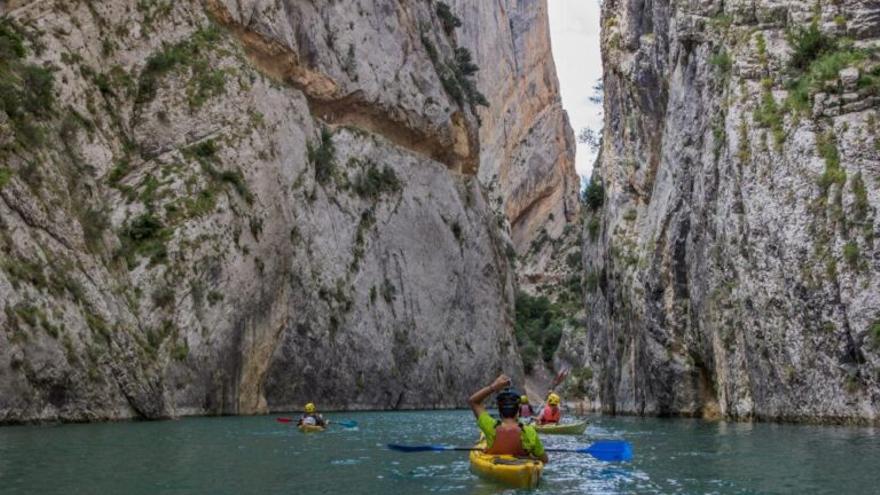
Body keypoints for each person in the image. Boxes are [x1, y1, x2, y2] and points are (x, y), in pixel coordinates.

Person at [468, 374, 548, 463]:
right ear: (518, 410)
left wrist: (493, 387)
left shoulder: (490, 426)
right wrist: (530, 458)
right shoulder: (529, 431)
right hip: (520, 471)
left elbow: (473, 401)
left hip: (496, 469)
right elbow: (544, 460)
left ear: (499, 410)